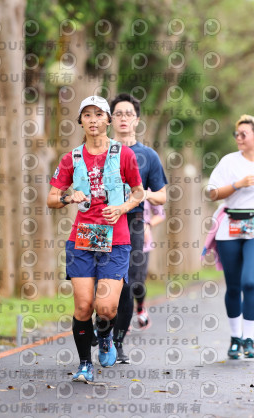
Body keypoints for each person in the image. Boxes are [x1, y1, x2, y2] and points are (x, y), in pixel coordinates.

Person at [48, 96, 144, 382]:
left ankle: (104, 337)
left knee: (105, 307)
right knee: (82, 306)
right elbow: (52, 198)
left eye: (99, 114)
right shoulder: (71, 158)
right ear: (80, 121)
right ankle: (84, 365)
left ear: (108, 120)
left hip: (116, 239)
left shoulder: (124, 155)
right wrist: (69, 197)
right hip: (82, 238)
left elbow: (138, 192)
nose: (93, 120)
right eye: (87, 115)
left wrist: (123, 208)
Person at [206, 114, 254, 359]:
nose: (238, 138)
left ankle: (249, 339)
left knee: (250, 282)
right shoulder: (229, 162)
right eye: (237, 134)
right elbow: (212, 193)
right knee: (233, 286)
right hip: (230, 225)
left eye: (244, 134)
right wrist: (237, 185)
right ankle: (235, 338)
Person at [109, 93, 167, 364]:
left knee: (129, 283)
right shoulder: (99, 151)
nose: (123, 118)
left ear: (137, 120)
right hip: (101, 222)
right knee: (99, 282)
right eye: (118, 114)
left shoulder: (148, 156)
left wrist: (144, 194)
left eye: (128, 114)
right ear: (110, 119)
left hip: (133, 223)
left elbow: (161, 196)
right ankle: (102, 330)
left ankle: (117, 343)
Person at [138, 194, 166, 328]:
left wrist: (147, 225)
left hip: (142, 243)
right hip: (119, 241)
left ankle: (140, 307)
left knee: (138, 280)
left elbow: (160, 214)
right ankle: (122, 316)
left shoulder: (147, 189)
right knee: (122, 282)